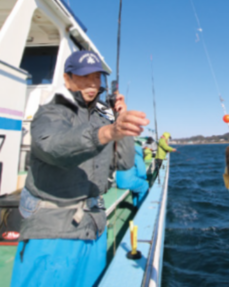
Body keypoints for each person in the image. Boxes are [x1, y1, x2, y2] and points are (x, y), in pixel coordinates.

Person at [10, 50, 149, 287]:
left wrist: (121, 120)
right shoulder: (51, 112)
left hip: (94, 229)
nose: (92, 84)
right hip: (54, 232)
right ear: (68, 79)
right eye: (84, 77)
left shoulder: (100, 119)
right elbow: (52, 146)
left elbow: (123, 163)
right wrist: (107, 133)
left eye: (97, 77)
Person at [116, 142, 149, 208]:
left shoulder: (124, 155)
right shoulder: (137, 156)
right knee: (144, 185)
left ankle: (135, 205)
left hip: (118, 181)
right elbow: (142, 172)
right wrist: (144, 178)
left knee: (136, 186)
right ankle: (140, 207)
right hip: (126, 182)